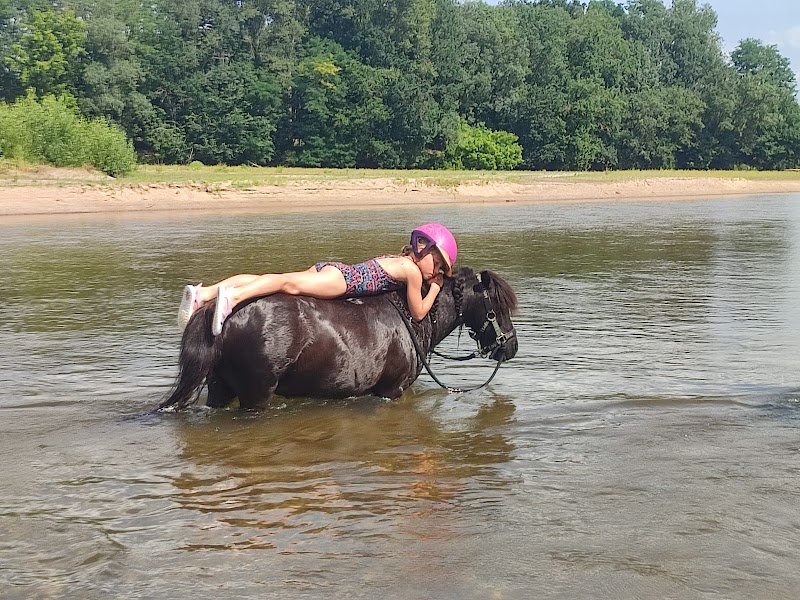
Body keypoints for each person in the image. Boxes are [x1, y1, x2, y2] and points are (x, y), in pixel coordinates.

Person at [177, 223, 459, 336]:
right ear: (427, 250)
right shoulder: (411, 271)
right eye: (437, 264)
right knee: (287, 284)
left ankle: (206, 293)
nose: (435, 272)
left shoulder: (400, 258)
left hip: (335, 269)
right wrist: (434, 289)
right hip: (344, 281)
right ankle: (232, 299)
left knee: (275, 278)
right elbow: (419, 313)